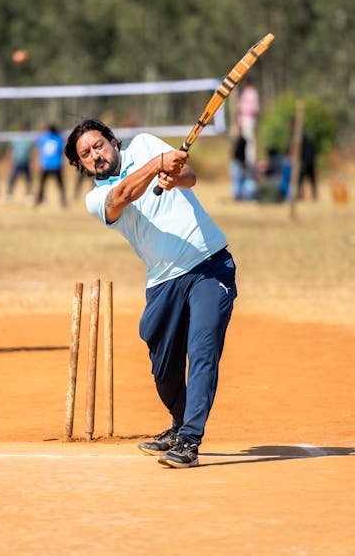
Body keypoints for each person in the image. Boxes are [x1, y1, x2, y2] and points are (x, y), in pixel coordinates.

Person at [64, 119, 237, 469]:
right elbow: (123, 196)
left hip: (208, 263)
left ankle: (190, 439)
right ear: (81, 165)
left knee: (202, 350)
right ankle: (178, 424)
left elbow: (189, 177)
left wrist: (176, 176)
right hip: (163, 280)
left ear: (112, 141)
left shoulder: (144, 143)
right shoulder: (95, 198)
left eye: (98, 145)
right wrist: (158, 165)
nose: (95, 155)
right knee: (163, 366)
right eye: (86, 154)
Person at [34, 123, 66, 207]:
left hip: (46, 164)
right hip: (57, 164)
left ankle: (39, 200)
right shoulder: (58, 138)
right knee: (60, 184)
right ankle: (63, 201)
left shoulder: (44, 137)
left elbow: (37, 140)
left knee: (42, 184)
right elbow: (62, 148)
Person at [237, 78, 259, 173]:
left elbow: (253, 109)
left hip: (248, 119)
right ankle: (246, 160)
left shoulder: (251, 93)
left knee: (249, 141)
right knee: (246, 141)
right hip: (245, 120)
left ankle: (250, 161)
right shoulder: (246, 93)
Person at [6, 131, 33, 200]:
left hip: (25, 162)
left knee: (28, 179)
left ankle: (29, 193)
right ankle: (9, 193)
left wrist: (32, 161)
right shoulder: (15, 139)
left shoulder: (28, 140)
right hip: (17, 162)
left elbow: (31, 151)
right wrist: (9, 160)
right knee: (13, 178)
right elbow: (10, 150)